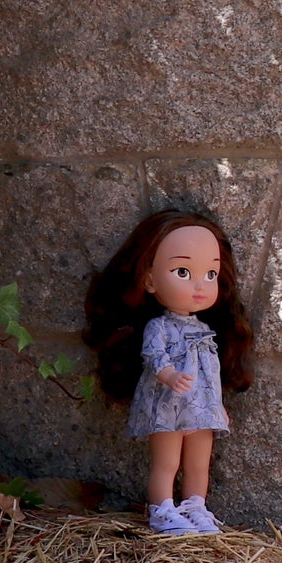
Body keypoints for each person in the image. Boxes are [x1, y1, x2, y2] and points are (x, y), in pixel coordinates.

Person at [84, 210, 254, 536]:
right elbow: (153, 355)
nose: (199, 285)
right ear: (149, 280)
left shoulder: (205, 330)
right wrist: (169, 377)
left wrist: (217, 406)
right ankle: (162, 509)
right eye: (183, 271)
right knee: (167, 462)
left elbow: (209, 373)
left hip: (201, 408)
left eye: (210, 274)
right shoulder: (158, 326)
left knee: (198, 463)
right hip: (167, 405)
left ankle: (196, 507)